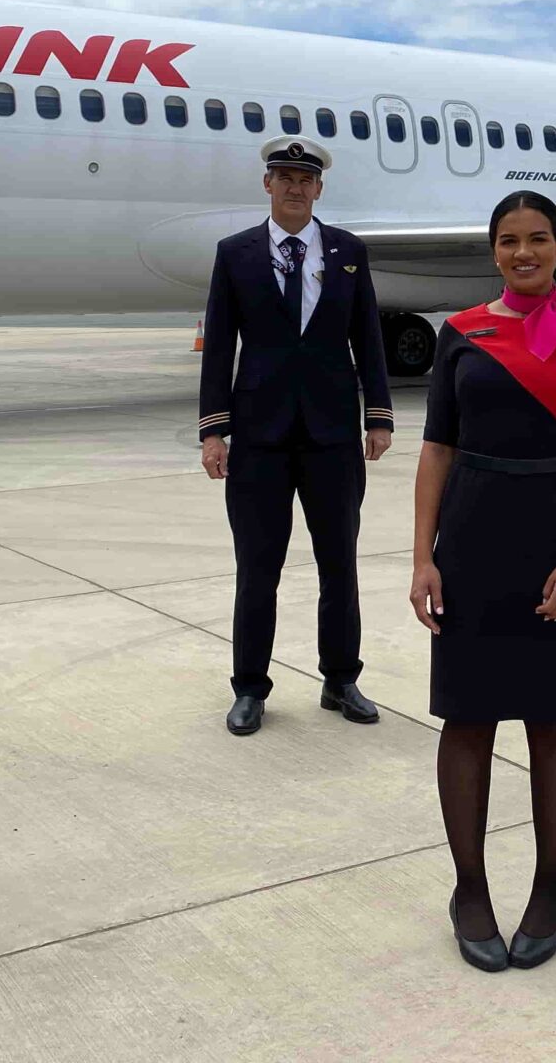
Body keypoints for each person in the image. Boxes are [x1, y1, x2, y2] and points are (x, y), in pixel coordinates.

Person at [409, 192, 556, 973]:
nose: (523, 252)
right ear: (492, 250)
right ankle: (469, 889)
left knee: (551, 718)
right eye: (508, 241)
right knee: (466, 719)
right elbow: (436, 448)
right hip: (469, 538)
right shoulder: (461, 333)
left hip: (552, 536)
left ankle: (548, 888)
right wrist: (422, 556)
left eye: (538, 239)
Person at [199, 136, 393, 735]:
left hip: (333, 434)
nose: (293, 187)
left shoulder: (349, 252)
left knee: (340, 564)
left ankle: (341, 680)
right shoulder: (236, 254)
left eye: (304, 179)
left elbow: (368, 337)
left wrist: (378, 415)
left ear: (319, 188)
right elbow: (219, 346)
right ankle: (250, 688)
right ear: (267, 185)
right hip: (259, 437)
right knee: (258, 567)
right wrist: (214, 431)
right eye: (283, 176)